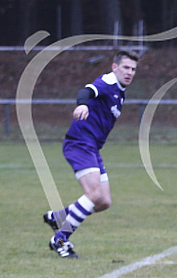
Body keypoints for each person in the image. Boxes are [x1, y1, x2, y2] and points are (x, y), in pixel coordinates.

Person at [44, 50, 139, 258]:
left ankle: (59, 217)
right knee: (93, 194)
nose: (130, 72)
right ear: (115, 67)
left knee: (103, 201)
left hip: (91, 147)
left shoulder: (120, 90)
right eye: (126, 67)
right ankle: (60, 239)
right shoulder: (108, 82)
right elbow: (86, 91)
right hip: (80, 143)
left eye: (133, 69)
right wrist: (83, 104)